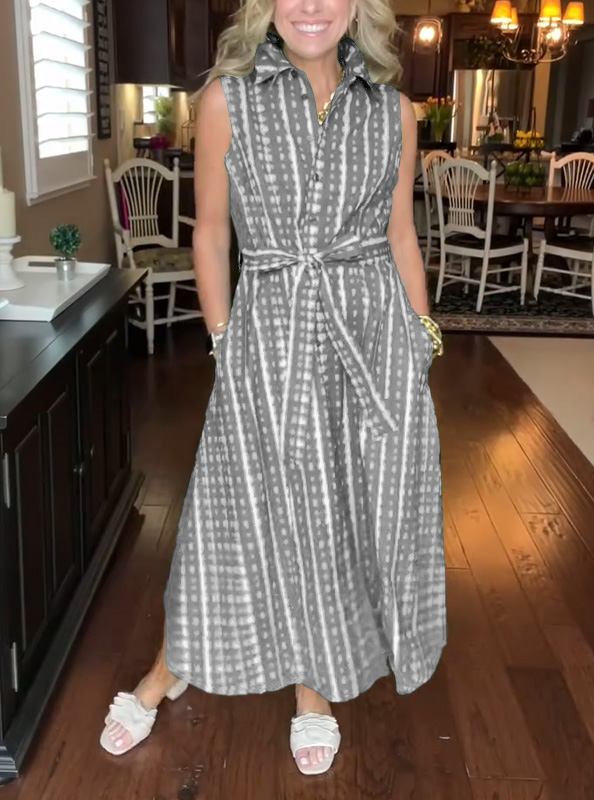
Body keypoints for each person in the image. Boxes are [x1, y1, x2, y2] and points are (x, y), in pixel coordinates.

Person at [100, 0, 446, 776]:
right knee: (228, 509)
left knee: (339, 512)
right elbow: (211, 230)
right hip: (269, 333)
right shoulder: (227, 100)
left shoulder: (393, 112)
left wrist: (421, 340)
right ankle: (171, 664)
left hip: (371, 338)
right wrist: (226, 344)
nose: (311, 6)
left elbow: (400, 233)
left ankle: (312, 687)